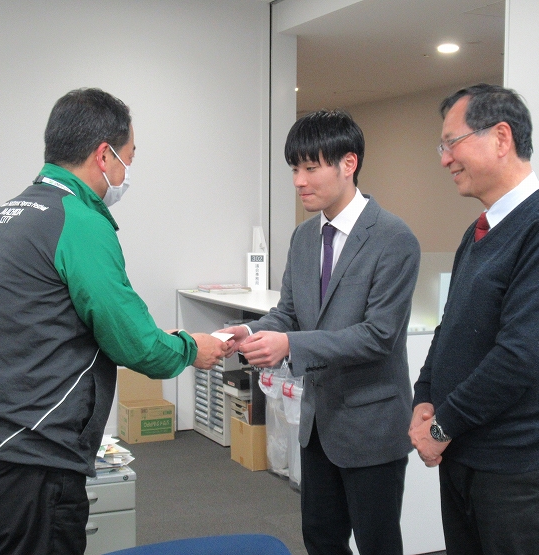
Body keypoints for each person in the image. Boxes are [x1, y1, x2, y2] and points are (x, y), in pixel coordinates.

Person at [0, 88, 227, 555]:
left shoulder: (7, 214)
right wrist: (193, 348)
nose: (126, 173)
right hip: (30, 462)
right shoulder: (78, 221)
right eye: (127, 159)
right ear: (103, 155)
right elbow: (135, 342)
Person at [221, 109, 420, 555]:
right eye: (295, 169)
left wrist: (289, 345)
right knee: (321, 540)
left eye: (311, 168)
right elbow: (289, 313)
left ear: (348, 164)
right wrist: (249, 331)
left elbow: (378, 335)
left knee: (377, 544)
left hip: (371, 426)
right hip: (317, 423)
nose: (299, 181)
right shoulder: (305, 237)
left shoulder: (394, 238)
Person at [408, 84, 539, 555]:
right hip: (463, 454)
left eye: (452, 143)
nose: (445, 159)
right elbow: (450, 329)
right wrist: (424, 396)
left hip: (517, 468)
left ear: (501, 137)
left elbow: (519, 356)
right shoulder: (479, 231)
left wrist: (441, 427)